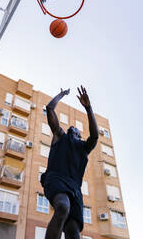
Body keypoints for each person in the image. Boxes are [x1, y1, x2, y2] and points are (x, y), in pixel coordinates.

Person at [40, 86, 99, 239]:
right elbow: (50, 109)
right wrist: (61, 94)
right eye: (70, 127)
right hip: (56, 178)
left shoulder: (83, 148)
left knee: (73, 231)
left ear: (79, 135)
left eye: (76, 129)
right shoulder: (60, 136)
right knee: (63, 207)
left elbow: (95, 137)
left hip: (75, 189)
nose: (73, 128)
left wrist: (88, 108)